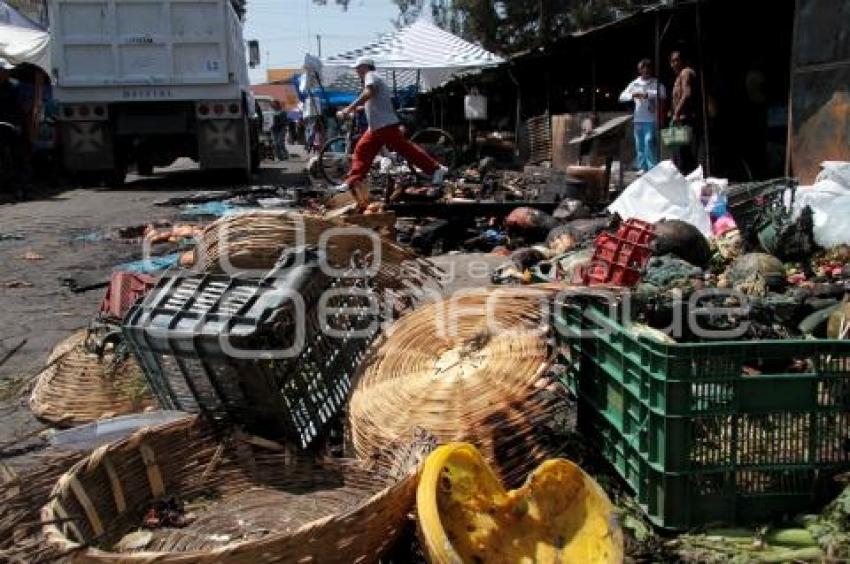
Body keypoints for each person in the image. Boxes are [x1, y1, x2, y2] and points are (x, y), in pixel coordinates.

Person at [335, 57, 447, 209]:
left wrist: (349, 108)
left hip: (384, 125)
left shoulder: (371, 76)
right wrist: (358, 108)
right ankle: (352, 181)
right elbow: (374, 101)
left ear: (365, 67)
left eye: (358, 68)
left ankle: (436, 169)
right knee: (362, 150)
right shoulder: (374, 78)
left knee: (405, 149)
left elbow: (369, 93)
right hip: (377, 127)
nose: (357, 71)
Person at [619, 58, 666, 174]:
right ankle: (642, 167)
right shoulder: (635, 83)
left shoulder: (655, 83)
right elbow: (621, 97)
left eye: (647, 68)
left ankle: (652, 168)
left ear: (650, 70)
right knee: (639, 144)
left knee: (649, 142)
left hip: (651, 118)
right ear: (639, 70)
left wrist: (648, 94)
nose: (645, 71)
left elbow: (663, 93)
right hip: (638, 119)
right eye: (643, 69)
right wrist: (633, 94)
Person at [669, 50, 701, 174]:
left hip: (686, 119)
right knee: (679, 154)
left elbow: (687, 94)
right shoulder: (679, 76)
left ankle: (687, 180)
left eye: (677, 60)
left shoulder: (686, 72)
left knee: (683, 155)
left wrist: (676, 113)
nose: (674, 63)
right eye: (672, 61)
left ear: (683, 61)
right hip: (680, 119)